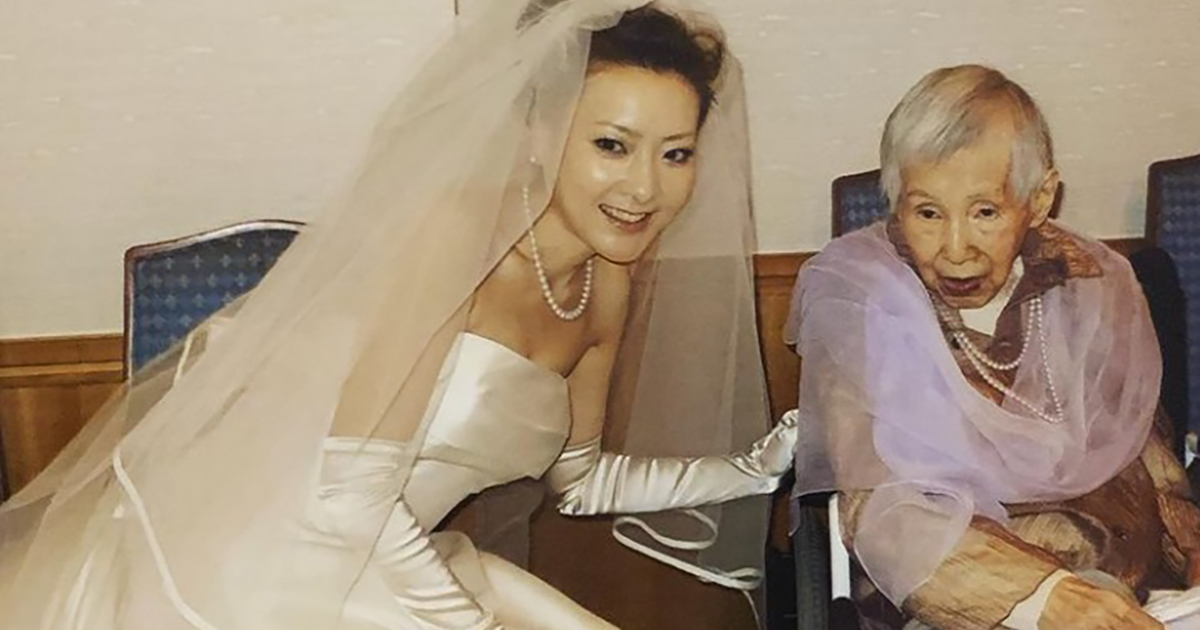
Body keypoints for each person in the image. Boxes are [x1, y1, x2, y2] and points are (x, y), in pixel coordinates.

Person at [0, 1, 796, 628]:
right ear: (539, 129)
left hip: (392, 562)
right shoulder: (454, 237)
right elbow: (348, 497)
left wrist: (755, 466)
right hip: (263, 573)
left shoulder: (603, 281)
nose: (646, 188)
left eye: (676, 153)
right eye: (613, 146)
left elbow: (580, 482)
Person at [788, 64, 1200, 629]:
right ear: (897, 203)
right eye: (927, 213)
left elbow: (1143, 449)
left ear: (1040, 199)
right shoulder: (861, 302)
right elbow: (880, 511)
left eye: (985, 212)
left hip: (1137, 589)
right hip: (961, 594)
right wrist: (1045, 598)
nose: (956, 248)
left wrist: (1194, 552)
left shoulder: (1093, 282)